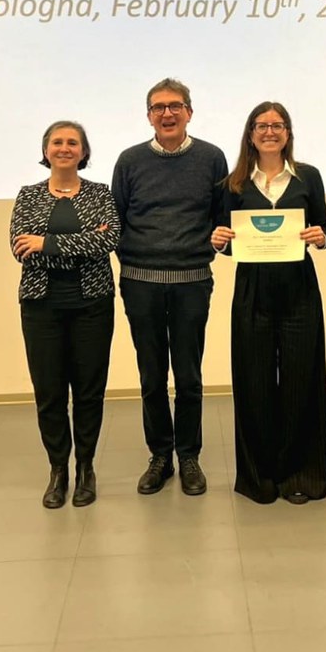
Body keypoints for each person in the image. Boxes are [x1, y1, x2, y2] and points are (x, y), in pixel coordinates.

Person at [210, 101, 326, 504]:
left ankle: (300, 475)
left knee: (301, 382)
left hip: (300, 290)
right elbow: (227, 239)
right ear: (250, 134)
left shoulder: (308, 177)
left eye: (278, 125)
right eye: (261, 125)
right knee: (254, 383)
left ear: (288, 133)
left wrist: (321, 237)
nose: (269, 131)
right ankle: (259, 477)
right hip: (252, 291)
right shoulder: (232, 184)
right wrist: (219, 242)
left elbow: (325, 228)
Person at [112, 78, 228, 496]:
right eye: (158, 107)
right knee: (151, 375)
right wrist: (138, 260)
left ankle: (189, 456)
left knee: (189, 375)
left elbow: (221, 217)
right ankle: (160, 456)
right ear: (148, 116)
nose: (167, 113)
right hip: (140, 283)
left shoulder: (212, 158)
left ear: (189, 113)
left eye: (175, 106)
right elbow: (117, 219)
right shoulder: (129, 161)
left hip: (192, 282)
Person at [10, 121, 120, 509]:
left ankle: (86, 468)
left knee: (89, 392)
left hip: (92, 305)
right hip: (41, 307)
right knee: (50, 393)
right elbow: (19, 248)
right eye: (57, 142)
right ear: (46, 151)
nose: (64, 148)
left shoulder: (101, 194)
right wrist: (80, 243)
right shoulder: (28, 196)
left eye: (73, 142)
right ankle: (58, 470)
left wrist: (47, 243)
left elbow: (109, 239)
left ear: (84, 152)